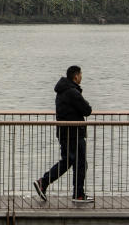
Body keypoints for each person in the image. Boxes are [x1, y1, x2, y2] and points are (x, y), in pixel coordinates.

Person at [33, 65, 93, 203]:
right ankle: (78, 195)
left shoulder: (62, 91)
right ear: (76, 76)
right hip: (74, 133)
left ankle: (44, 182)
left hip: (64, 132)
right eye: (81, 74)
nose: (82, 77)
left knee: (68, 161)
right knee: (80, 163)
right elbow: (87, 110)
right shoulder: (72, 92)